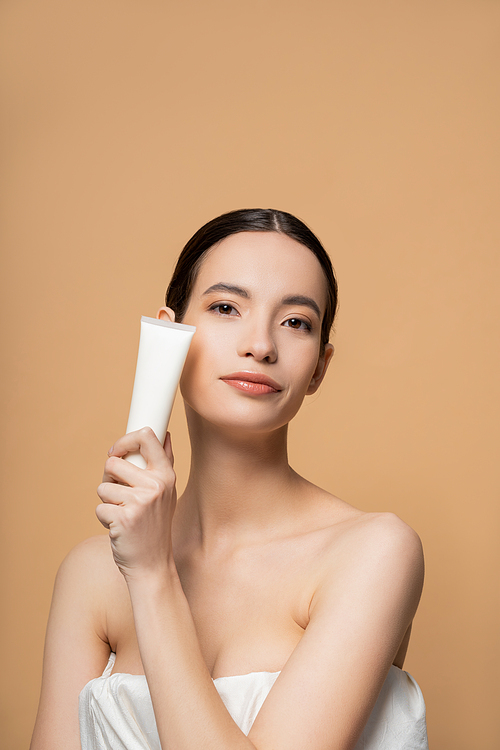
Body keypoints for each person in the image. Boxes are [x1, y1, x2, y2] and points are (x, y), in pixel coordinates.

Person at [30, 208, 428, 750]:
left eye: (296, 322)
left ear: (319, 367)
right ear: (170, 334)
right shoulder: (92, 577)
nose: (261, 344)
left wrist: (152, 576)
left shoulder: (373, 553)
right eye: (225, 307)